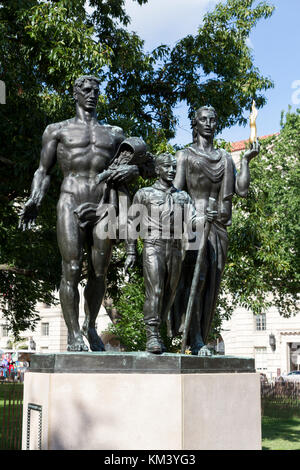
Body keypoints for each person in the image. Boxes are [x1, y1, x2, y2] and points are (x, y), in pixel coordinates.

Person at [19, 75, 143, 352]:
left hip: (103, 207)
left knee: (100, 272)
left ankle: (90, 326)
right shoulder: (57, 130)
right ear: (75, 94)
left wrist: (133, 170)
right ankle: (74, 333)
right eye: (86, 90)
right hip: (71, 201)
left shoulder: (114, 134)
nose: (92, 94)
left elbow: (139, 167)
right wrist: (35, 198)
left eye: (96, 91)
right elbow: (43, 170)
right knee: (72, 269)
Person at [172, 105, 260, 355]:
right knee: (197, 280)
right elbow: (176, 194)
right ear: (195, 124)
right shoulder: (185, 156)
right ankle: (195, 338)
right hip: (194, 225)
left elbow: (241, 191)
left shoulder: (224, 157)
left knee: (212, 284)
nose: (209, 123)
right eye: (203, 119)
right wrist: (194, 214)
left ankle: (200, 336)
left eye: (213, 119)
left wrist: (245, 161)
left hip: (219, 227)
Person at [125, 153, 212, 353]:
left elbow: (192, 223)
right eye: (167, 167)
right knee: (155, 290)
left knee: (169, 294)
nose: (172, 170)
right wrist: (131, 251)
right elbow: (132, 223)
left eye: (174, 167)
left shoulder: (182, 196)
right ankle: (152, 334)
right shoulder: (144, 194)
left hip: (175, 248)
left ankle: (159, 329)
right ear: (158, 170)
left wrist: (205, 217)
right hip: (153, 245)